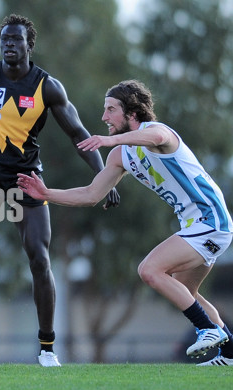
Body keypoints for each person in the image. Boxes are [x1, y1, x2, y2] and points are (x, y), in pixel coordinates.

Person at [16, 79, 233, 365]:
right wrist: (46, 194)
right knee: (186, 291)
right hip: (195, 227)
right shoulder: (121, 154)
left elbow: (155, 139)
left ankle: (206, 329)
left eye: (111, 110)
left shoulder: (156, 132)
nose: (104, 117)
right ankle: (229, 353)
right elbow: (91, 194)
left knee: (149, 270)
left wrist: (110, 139)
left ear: (132, 112)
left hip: (211, 221)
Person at [0, 14, 120, 367]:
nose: (9, 44)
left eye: (16, 39)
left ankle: (46, 348)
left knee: (39, 257)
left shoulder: (48, 87)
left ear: (30, 44)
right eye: (5, 40)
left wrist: (104, 179)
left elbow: (78, 135)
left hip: (27, 179)